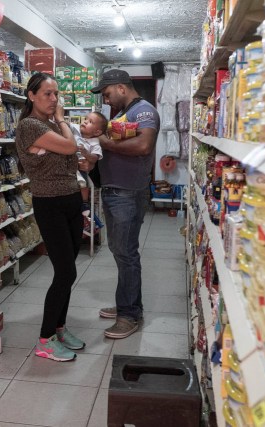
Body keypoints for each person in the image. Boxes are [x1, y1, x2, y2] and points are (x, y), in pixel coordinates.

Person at [15, 72, 86, 362]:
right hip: (50, 203)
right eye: (47, 93)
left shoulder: (46, 125)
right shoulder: (30, 126)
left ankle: (59, 327)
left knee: (69, 270)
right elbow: (71, 147)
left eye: (56, 94)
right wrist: (61, 120)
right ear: (31, 95)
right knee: (65, 271)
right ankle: (45, 340)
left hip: (70, 199)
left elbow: (73, 156)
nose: (54, 99)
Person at [90, 69, 160, 339]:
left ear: (121, 87)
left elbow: (143, 146)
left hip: (127, 194)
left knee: (127, 254)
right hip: (116, 192)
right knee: (120, 251)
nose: (106, 100)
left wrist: (103, 142)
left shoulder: (143, 111)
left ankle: (129, 315)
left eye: (107, 94)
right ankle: (126, 304)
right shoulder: (121, 114)